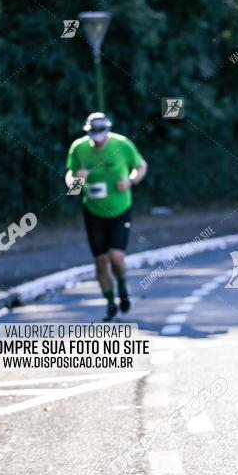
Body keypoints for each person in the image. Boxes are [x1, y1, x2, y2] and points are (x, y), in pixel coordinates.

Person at [65, 113, 147, 322]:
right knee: (101, 262)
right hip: (93, 211)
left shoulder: (122, 144)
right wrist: (76, 181)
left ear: (108, 130)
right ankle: (110, 303)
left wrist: (131, 181)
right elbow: (70, 176)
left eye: (101, 132)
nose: (97, 138)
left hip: (120, 209)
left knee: (116, 257)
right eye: (93, 133)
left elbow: (141, 166)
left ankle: (122, 286)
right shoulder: (79, 148)